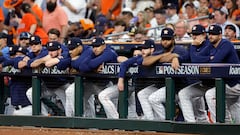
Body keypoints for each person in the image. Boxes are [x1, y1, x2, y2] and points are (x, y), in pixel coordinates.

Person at [140, 28, 191, 120]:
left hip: (180, 88)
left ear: (173, 39)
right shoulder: (160, 51)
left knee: (153, 98)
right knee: (142, 94)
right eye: (163, 39)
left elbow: (177, 56)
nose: (165, 42)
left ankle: (165, 121)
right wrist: (164, 56)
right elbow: (145, 61)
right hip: (165, 86)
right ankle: (151, 121)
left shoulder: (180, 49)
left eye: (168, 39)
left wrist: (173, 57)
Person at [178, 24, 214, 123]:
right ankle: (190, 124)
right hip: (204, 83)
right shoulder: (193, 46)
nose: (194, 37)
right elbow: (185, 57)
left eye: (197, 34)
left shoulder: (209, 45)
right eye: (193, 34)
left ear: (204, 34)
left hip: (216, 84)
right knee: (184, 94)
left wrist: (194, 48)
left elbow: (195, 60)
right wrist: (175, 59)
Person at [205, 24, 240, 123]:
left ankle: (223, 125)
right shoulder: (210, 45)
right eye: (210, 34)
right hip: (228, 83)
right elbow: (199, 58)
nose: (211, 36)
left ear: (220, 35)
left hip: (235, 83)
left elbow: (215, 61)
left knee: (210, 95)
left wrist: (210, 59)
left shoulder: (226, 44)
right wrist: (209, 58)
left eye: (214, 34)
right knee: (234, 106)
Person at [26, 39, 71, 115]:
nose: (50, 53)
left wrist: (45, 61)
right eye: (49, 50)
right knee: (30, 92)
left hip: (62, 86)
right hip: (48, 86)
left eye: (53, 50)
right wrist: (43, 59)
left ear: (59, 50)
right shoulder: (46, 54)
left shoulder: (65, 55)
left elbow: (48, 64)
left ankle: (70, 122)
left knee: (69, 106)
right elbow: (31, 64)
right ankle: (44, 116)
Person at [64, 37, 98, 117]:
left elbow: (79, 65)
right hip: (85, 82)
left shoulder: (89, 50)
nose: (70, 51)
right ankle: (80, 119)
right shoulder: (71, 53)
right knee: (70, 92)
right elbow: (61, 64)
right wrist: (73, 60)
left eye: (72, 49)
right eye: (69, 49)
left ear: (80, 47)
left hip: (99, 82)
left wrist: (72, 61)